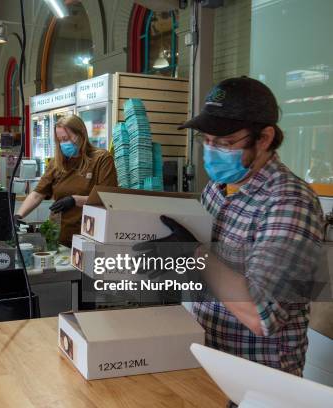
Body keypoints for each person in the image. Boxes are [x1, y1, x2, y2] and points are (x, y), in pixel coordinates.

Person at [143, 77, 324, 378]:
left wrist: (195, 254)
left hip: (259, 378)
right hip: (208, 359)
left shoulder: (290, 202)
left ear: (264, 138)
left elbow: (262, 315)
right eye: (206, 140)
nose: (211, 150)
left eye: (225, 142)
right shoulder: (217, 189)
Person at [16, 115, 118, 247]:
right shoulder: (57, 163)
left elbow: (108, 199)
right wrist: (19, 215)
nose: (64, 144)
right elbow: (37, 194)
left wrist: (75, 200)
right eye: (60, 140)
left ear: (81, 134)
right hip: (58, 237)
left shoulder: (101, 159)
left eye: (66, 138)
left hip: (89, 238)